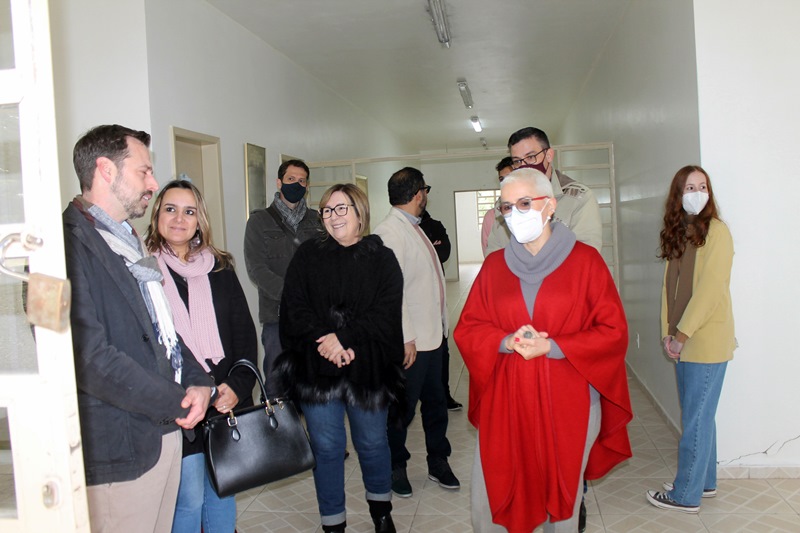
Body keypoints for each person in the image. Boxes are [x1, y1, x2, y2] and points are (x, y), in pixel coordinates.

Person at [453, 168, 632, 533]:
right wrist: (505, 341)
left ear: (549, 206)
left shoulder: (586, 262)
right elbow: (469, 327)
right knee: (493, 492)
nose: (514, 214)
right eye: (506, 207)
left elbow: (613, 332)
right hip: (507, 401)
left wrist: (553, 346)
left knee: (561, 502)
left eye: (524, 203)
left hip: (568, 401)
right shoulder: (494, 266)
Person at [63, 125, 213, 532]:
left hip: (162, 434)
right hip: (120, 448)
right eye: (144, 171)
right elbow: (89, 358)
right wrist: (179, 400)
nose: (153, 183)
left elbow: (162, 331)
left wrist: (200, 381)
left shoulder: (128, 240)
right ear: (106, 170)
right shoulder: (67, 245)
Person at [275, 184, 405, 533]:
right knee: (327, 448)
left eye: (341, 208)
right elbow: (294, 307)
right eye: (327, 211)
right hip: (317, 369)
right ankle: (333, 523)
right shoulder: (308, 255)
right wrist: (327, 341)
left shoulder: (382, 258)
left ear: (360, 211)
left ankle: (381, 511)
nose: (333, 217)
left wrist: (344, 338)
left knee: (372, 444)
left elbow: (385, 313)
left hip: (368, 368)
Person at [144, 179, 258, 532]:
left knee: (223, 491)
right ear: (157, 216)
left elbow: (243, 334)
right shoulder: (142, 269)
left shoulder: (219, 267)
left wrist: (237, 386)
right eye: (170, 209)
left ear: (199, 220)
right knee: (189, 498)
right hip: (177, 404)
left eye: (189, 211)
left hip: (223, 401)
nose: (179, 219)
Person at [645, 165, 735, 513]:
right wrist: (668, 333)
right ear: (678, 196)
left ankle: (685, 495)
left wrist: (681, 335)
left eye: (703, 186)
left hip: (705, 340)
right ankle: (704, 482)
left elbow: (710, 291)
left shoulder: (717, 232)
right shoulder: (682, 233)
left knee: (695, 420)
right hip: (683, 339)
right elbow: (671, 290)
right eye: (689, 188)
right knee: (700, 415)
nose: (698, 193)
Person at [373, 168, 459, 498]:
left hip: (432, 337)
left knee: (436, 404)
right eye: (425, 189)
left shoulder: (413, 226)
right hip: (411, 343)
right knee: (402, 410)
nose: (426, 195)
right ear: (416, 193)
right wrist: (405, 337)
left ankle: (439, 461)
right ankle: (396, 465)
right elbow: (389, 293)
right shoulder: (389, 232)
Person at [244, 159, 321, 395]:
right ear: (279, 182)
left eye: (302, 181)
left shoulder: (317, 220)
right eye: (291, 179)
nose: (296, 184)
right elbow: (256, 269)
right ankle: (277, 420)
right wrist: (291, 295)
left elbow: (327, 264)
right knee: (278, 384)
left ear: (307, 186)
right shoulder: (259, 221)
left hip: (314, 316)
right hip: (276, 317)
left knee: (313, 382)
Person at [485, 127, 603, 256]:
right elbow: (494, 251)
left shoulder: (578, 198)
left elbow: (586, 256)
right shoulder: (506, 204)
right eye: (517, 161)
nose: (524, 166)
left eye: (531, 157)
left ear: (549, 155)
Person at [418, 209, 461, 411]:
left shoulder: (435, 225)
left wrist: (422, 251)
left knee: (442, 349)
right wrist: (430, 247)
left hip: (436, 300)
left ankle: (444, 395)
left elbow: (444, 253)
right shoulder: (400, 229)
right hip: (412, 301)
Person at [481, 156, 514, 256]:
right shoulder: (491, 216)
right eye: (501, 179)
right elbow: (488, 253)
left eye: (509, 178)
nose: (505, 183)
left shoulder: (533, 208)